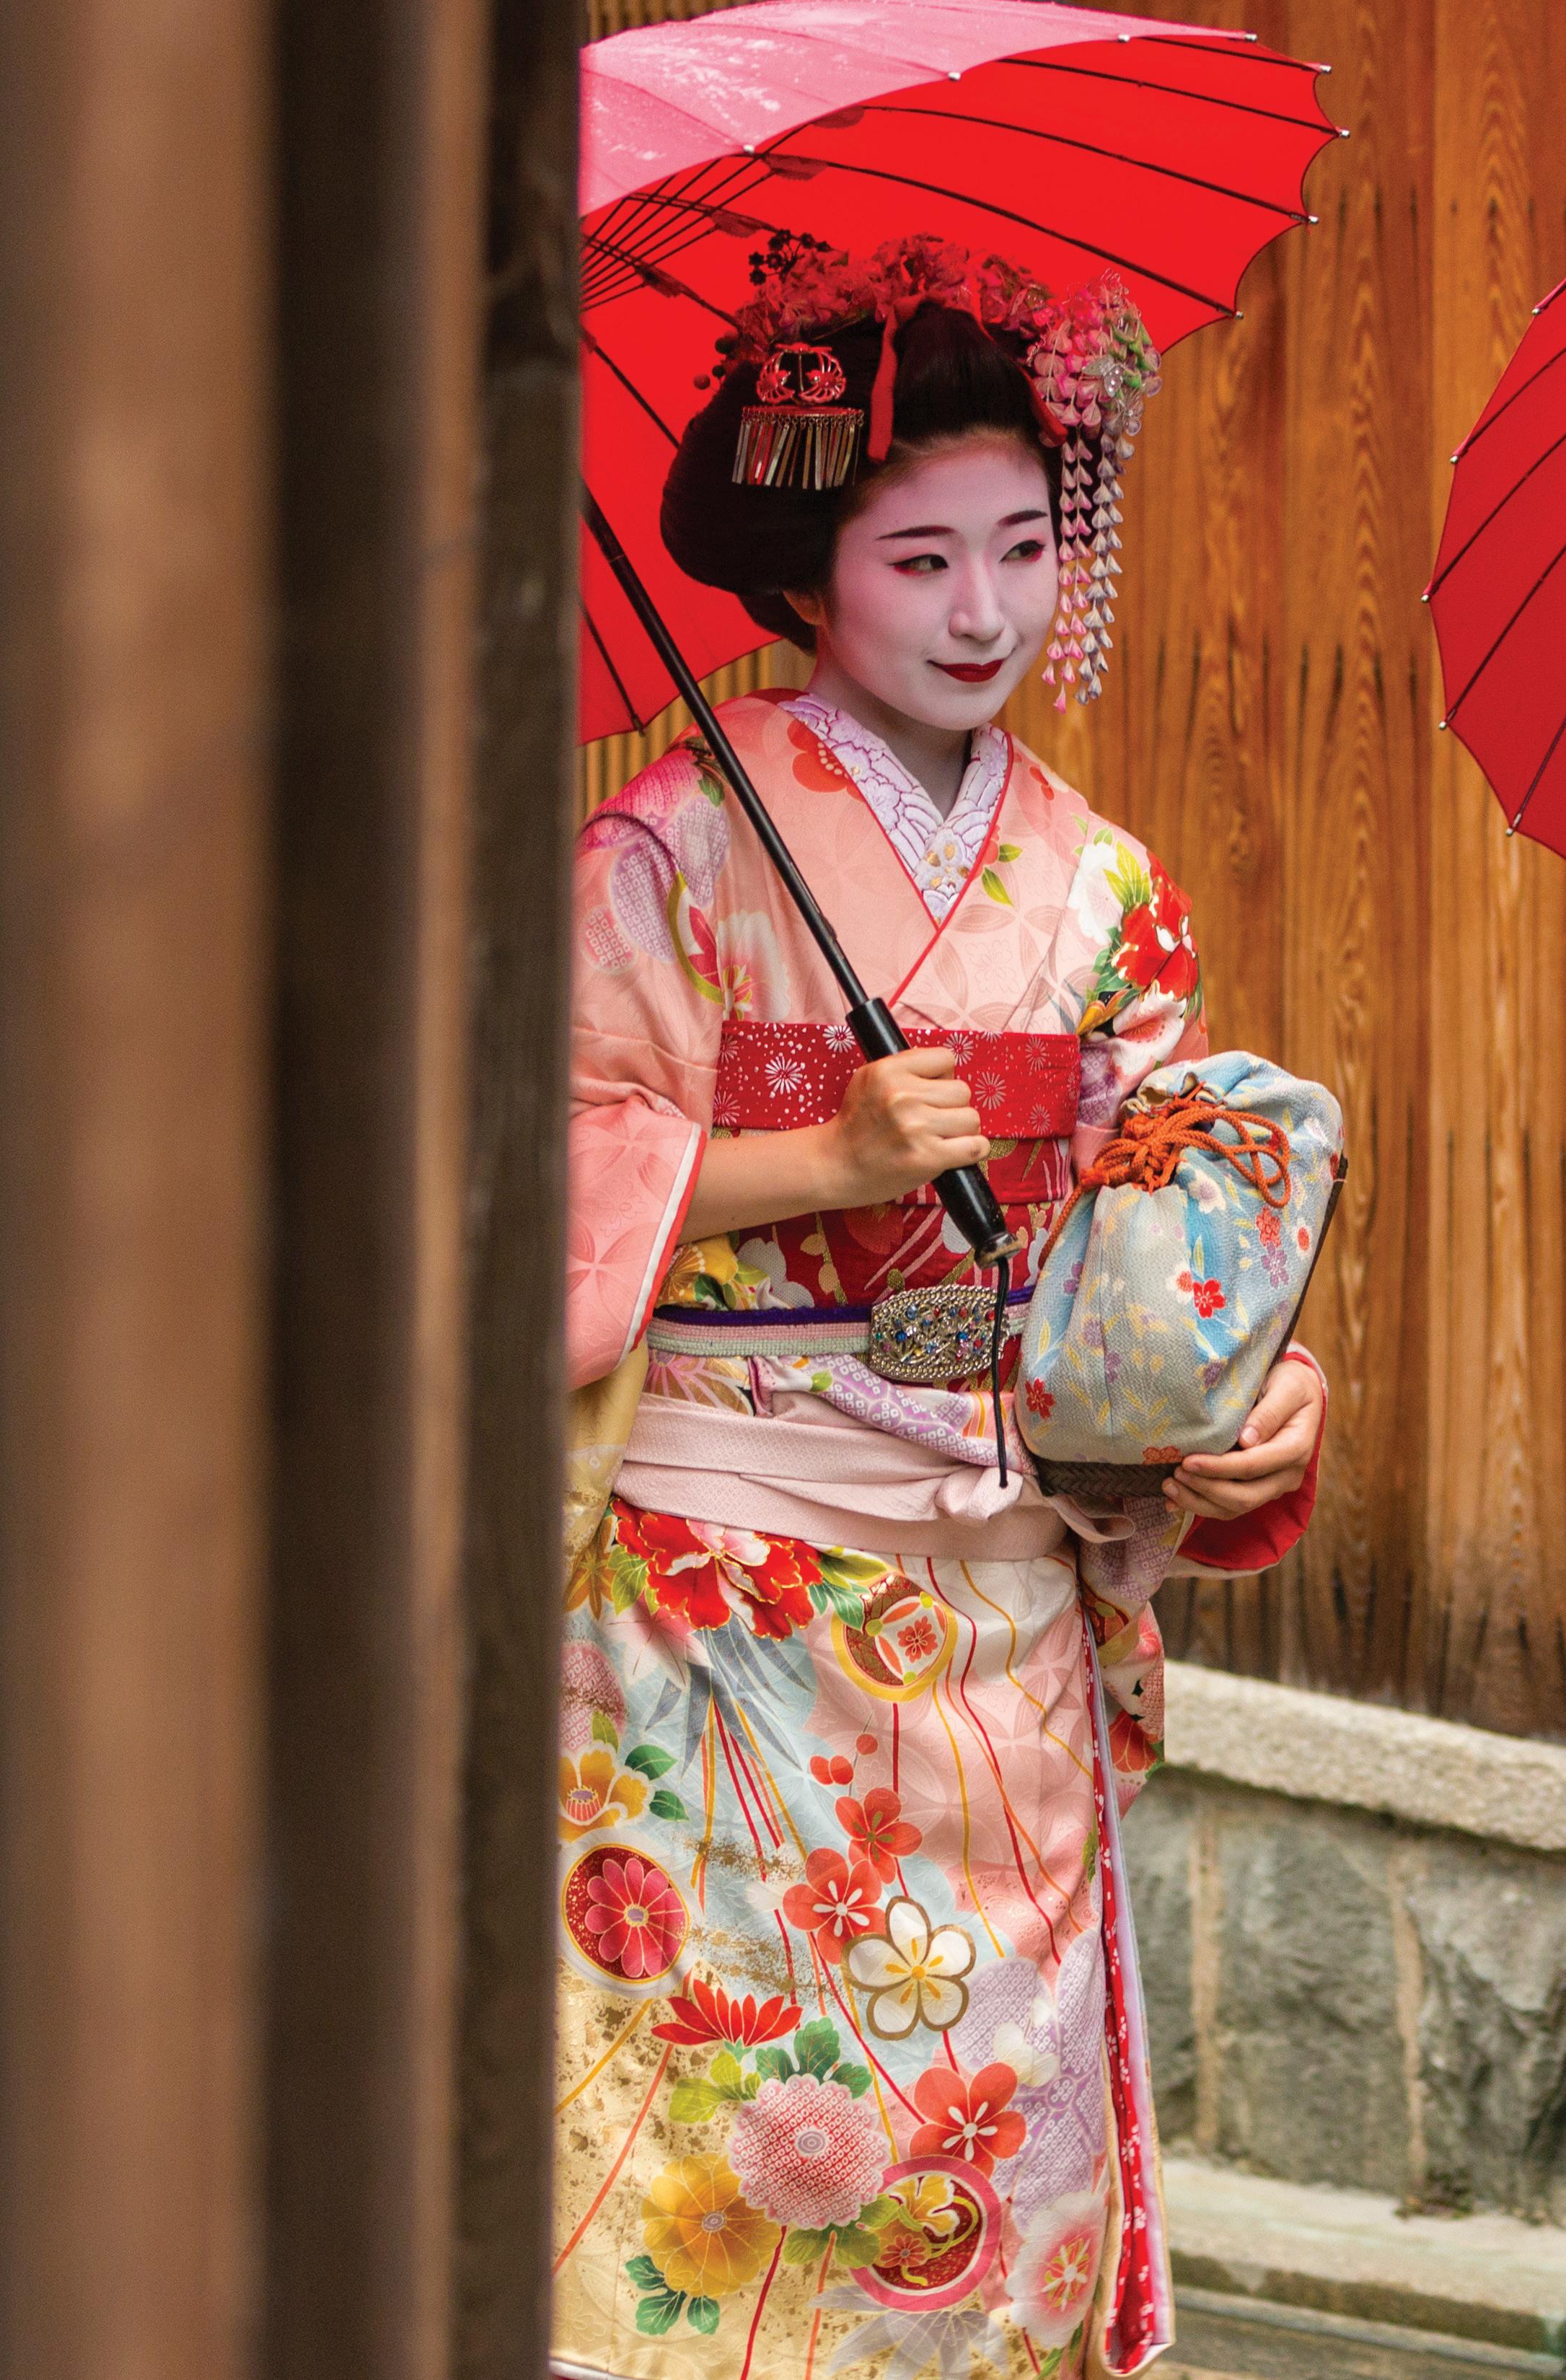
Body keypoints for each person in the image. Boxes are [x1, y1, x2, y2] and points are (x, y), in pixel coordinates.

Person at [552, 238, 1323, 2380]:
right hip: (722, 1607)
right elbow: (512, 1175)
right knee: (729, 2171)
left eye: (1019, 549)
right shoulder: (665, 847)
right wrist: (819, 1160)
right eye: (918, 559)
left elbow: (1170, 1239)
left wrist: (1243, 1391)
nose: (982, 611)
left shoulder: (1104, 882)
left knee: (989, 2191)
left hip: (1000, 1607)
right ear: (806, 570)